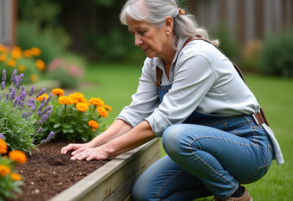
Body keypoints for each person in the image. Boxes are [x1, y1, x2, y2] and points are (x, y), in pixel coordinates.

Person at [61, 0, 284, 200]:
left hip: (248, 147)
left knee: (174, 135)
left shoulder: (197, 56)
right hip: (203, 148)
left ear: (168, 25)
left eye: (142, 31)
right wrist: (93, 145)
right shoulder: (154, 63)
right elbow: (135, 113)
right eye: (133, 33)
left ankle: (233, 195)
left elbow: (164, 120)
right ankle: (220, 183)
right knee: (146, 194)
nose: (137, 41)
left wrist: (108, 150)